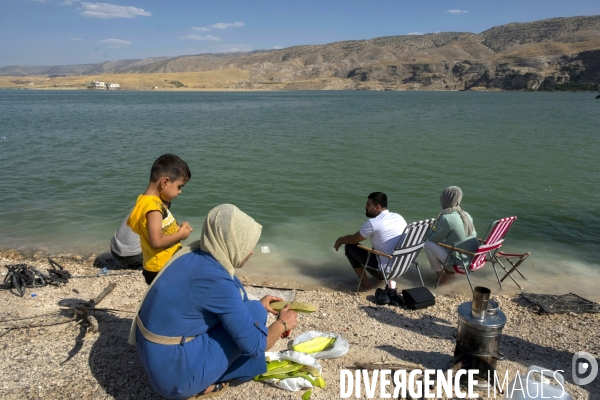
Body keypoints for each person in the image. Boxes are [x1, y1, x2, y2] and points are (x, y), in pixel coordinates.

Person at [128, 204, 298, 399]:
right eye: (247, 244)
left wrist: (258, 305)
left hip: (151, 353)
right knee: (256, 317)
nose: (251, 252)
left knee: (254, 308)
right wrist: (283, 323)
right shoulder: (218, 281)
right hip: (173, 378)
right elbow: (255, 346)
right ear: (233, 243)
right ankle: (200, 386)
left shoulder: (194, 254)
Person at [127, 154, 193, 285]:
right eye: (179, 186)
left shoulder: (145, 200)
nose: (180, 192)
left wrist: (176, 230)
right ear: (164, 182)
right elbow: (156, 241)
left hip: (160, 266)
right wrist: (181, 235)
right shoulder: (153, 208)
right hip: (160, 268)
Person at [334, 192, 407, 290]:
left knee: (349, 247)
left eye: (368, 204)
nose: (365, 207)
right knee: (380, 245)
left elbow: (353, 239)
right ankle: (378, 282)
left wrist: (340, 240)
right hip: (401, 267)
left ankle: (367, 285)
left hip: (384, 271)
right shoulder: (398, 217)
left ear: (377, 207)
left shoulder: (373, 223)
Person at [424, 186, 478, 285]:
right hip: (472, 259)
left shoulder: (447, 218)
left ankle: (442, 277)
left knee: (427, 243)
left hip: (461, 263)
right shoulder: (466, 215)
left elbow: (434, 239)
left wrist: (430, 230)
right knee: (450, 241)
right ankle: (450, 272)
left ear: (445, 199)